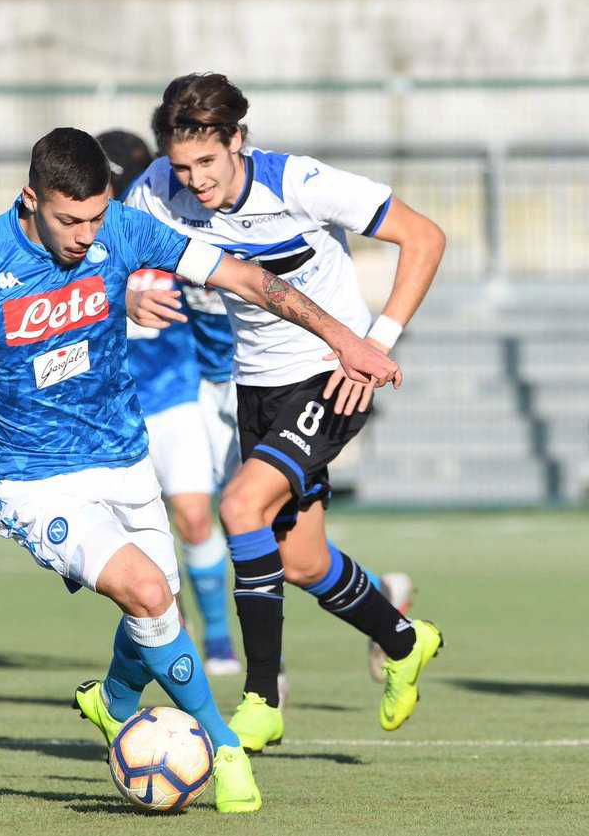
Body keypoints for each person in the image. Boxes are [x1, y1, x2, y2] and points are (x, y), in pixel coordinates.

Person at [0, 127, 401, 811]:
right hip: (31, 479)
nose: (84, 235)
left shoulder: (125, 232)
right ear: (31, 200)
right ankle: (224, 746)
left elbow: (246, 278)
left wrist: (348, 339)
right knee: (150, 595)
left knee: (152, 617)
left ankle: (112, 701)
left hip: (124, 459)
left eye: (96, 217)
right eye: (69, 220)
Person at [124, 73, 445, 752]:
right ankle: (405, 639)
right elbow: (101, 253)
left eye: (208, 163)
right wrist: (126, 292)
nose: (196, 181)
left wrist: (373, 344)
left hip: (331, 376)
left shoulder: (299, 183)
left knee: (239, 508)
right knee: (299, 560)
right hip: (256, 386)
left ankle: (261, 697)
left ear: (239, 139)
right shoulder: (154, 188)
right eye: (184, 167)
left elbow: (425, 237)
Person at [97, 129, 239, 676]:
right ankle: (170, 648)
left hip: (174, 392)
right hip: (112, 408)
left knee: (196, 517)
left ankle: (221, 641)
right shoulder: (75, 245)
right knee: (139, 542)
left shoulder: (161, 230)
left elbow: (208, 304)